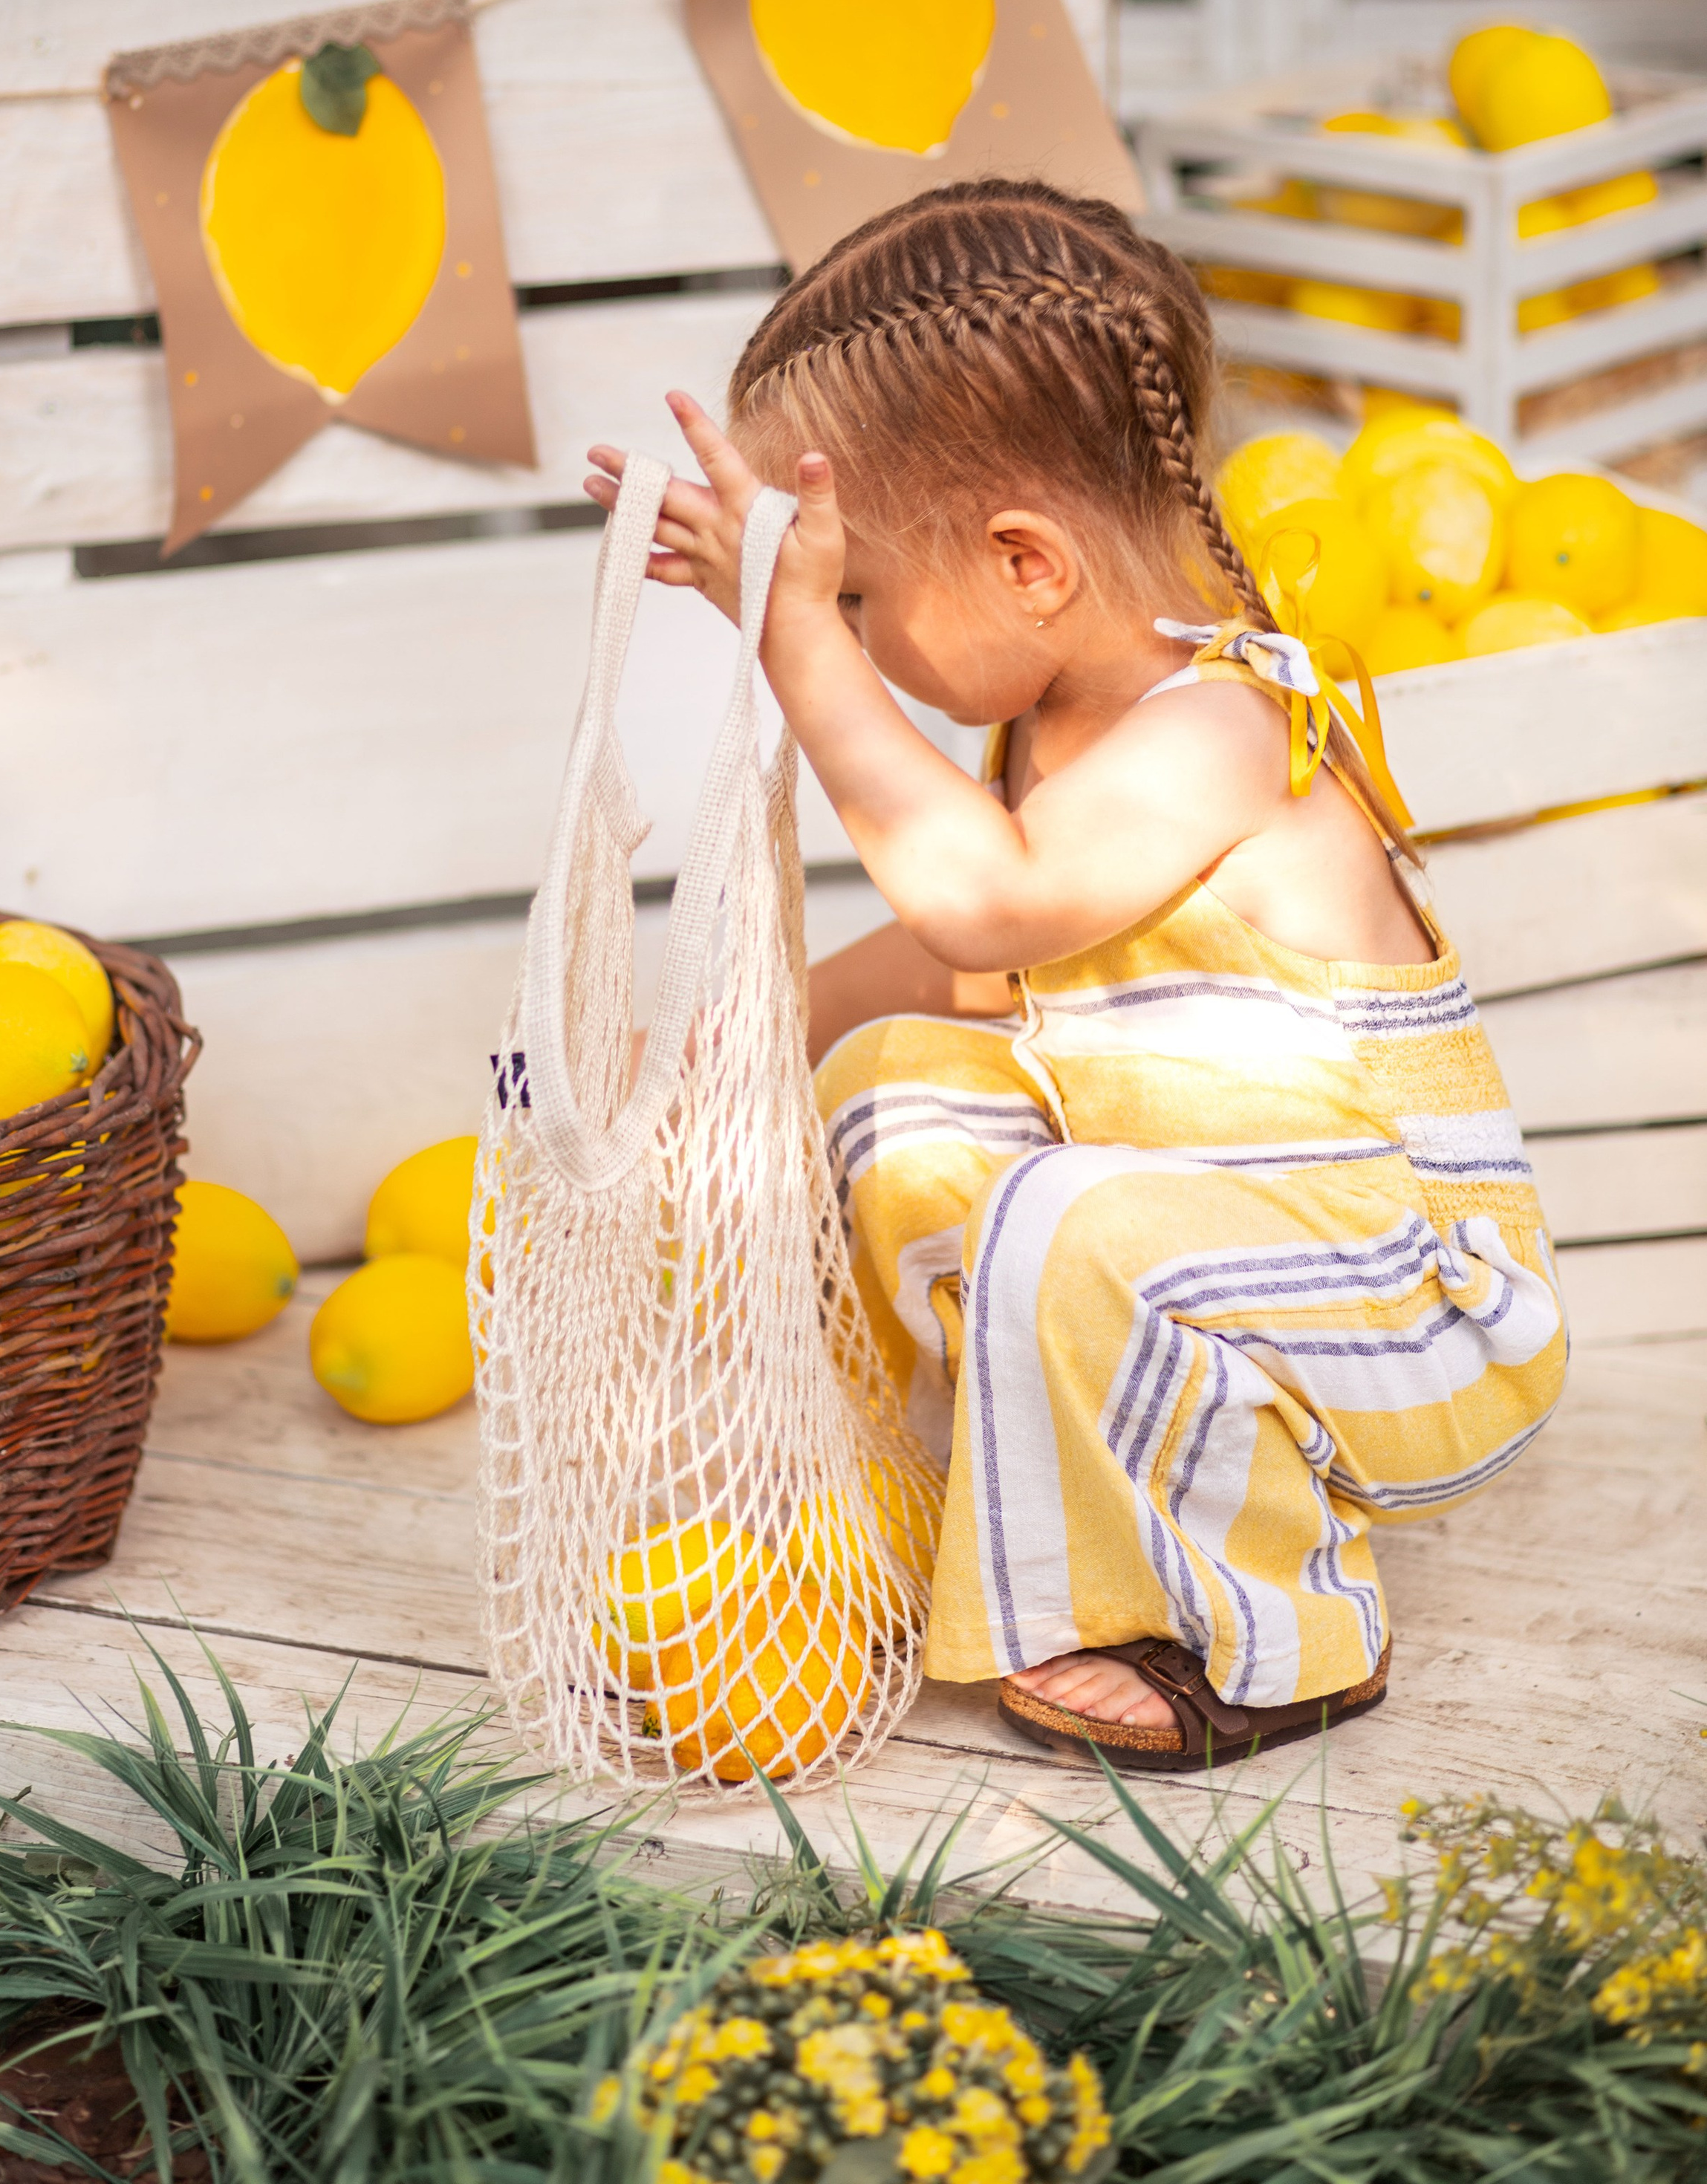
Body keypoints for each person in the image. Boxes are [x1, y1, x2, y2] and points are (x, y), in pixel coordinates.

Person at [585, 179, 1566, 1774]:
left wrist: (795, 645)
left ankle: (1280, 1631)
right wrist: (726, 1041)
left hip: (1413, 1301)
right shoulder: (1056, 722)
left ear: (1026, 564)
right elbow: (967, 974)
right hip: (1196, 1248)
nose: (851, 638)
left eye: (861, 598)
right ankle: (924, 1507)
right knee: (885, 1097)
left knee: (1069, 1214)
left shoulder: (1221, 729)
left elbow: (983, 906)